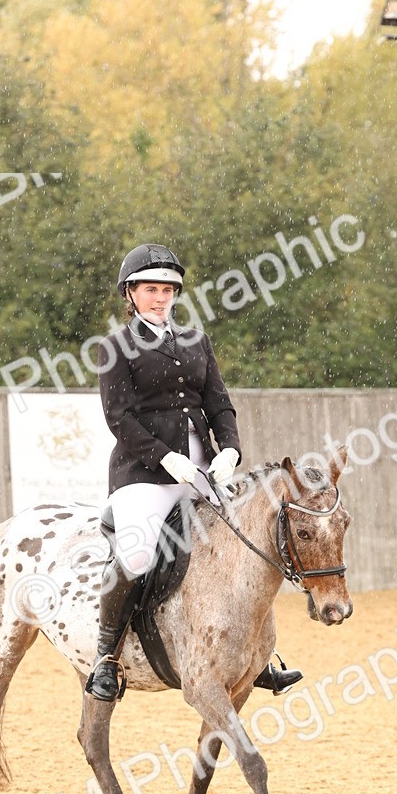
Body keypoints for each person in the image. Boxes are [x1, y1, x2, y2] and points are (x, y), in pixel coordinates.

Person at [85, 242, 302, 702]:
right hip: (144, 474)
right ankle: (106, 658)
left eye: (167, 290)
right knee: (137, 558)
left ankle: (257, 656)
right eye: (150, 289)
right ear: (130, 294)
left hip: (204, 470)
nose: (160, 298)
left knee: (245, 545)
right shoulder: (115, 347)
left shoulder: (196, 341)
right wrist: (165, 457)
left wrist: (230, 450)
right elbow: (119, 418)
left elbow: (218, 402)